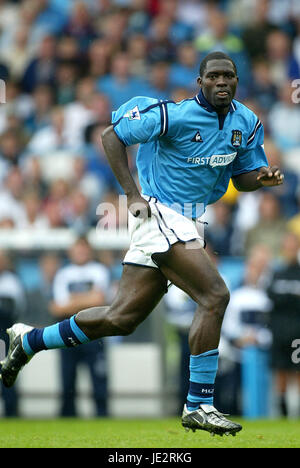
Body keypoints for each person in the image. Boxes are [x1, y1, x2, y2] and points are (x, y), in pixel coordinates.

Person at [0, 51, 284, 436]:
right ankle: (198, 403)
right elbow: (110, 135)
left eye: (229, 76)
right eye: (213, 76)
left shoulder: (246, 122)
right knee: (215, 295)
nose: (222, 82)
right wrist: (131, 194)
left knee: (122, 318)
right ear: (199, 82)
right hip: (160, 213)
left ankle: (29, 340)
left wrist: (262, 178)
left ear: (236, 81)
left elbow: (243, 176)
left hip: (190, 221)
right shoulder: (174, 114)